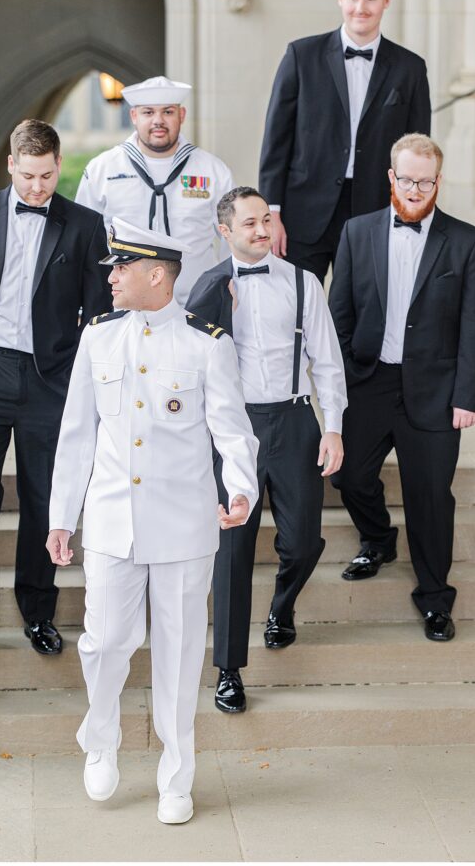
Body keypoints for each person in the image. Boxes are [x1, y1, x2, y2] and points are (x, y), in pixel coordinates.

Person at [47, 217, 258, 825]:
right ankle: (102, 740)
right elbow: (75, 436)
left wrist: (239, 490)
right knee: (105, 643)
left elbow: (232, 432)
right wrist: (63, 515)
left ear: (157, 275)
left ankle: (176, 776)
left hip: (185, 530)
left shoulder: (205, 344)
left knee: (179, 656)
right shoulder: (99, 338)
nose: (111, 278)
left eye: (122, 268)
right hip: (113, 522)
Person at [0, 119, 111, 669]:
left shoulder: (84, 225)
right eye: (29, 175)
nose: (38, 187)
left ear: (58, 166)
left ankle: (37, 610)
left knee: (42, 500)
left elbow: (99, 312)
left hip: (49, 380)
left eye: (48, 176)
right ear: (11, 165)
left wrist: (75, 377)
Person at [187, 188, 346, 713]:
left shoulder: (303, 283)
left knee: (303, 542)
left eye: (265, 221)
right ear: (225, 231)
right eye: (249, 223)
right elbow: (185, 367)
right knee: (232, 551)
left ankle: (281, 607)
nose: (261, 230)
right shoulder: (207, 287)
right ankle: (229, 670)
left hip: (295, 419)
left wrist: (333, 426)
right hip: (234, 426)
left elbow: (326, 360)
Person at [329, 133, 475, 641]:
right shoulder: (356, 232)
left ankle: (436, 599)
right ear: (391, 177)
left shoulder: (467, 242)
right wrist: (344, 381)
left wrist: (468, 396)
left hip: (437, 389)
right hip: (370, 381)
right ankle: (377, 538)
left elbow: (473, 327)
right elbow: (340, 314)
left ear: (437, 181)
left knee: (430, 497)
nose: (416, 189)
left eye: (426, 180)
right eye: (407, 178)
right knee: (349, 475)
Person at [258, 0, 431, 283]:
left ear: (386, 2)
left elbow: (419, 152)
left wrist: (411, 213)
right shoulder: (301, 56)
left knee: (360, 315)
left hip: (375, 210)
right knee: (297, 307)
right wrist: (272, 213)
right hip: (303, 210)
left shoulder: (410, 68)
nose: (360, 8)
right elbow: (276, 140)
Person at [75, 75, 236, 303]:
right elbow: (83, 241)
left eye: (168, 112)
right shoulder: (102, 169)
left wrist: (226, 288)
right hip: (125, 308)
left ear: (182, 115)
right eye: (148, 112)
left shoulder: (213, 170)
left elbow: (234, 237)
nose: (158, 120)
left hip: (197, 304)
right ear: (133, 116)